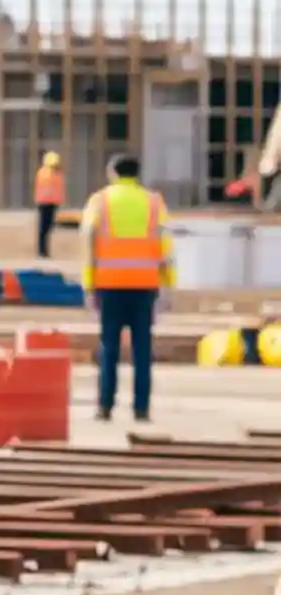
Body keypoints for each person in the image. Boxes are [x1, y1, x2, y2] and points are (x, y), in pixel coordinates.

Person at [82, 152, 174, 422]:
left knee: (109, 347)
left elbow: (89, 243)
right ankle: (141, 409)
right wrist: (168, 286)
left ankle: (105, 406)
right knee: (142, 350)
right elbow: (166, 249)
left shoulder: (100, 201)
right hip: (144, 286)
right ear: (137, 173)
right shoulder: (154, 203)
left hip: (109, 285)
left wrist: (89, 285)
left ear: (112, 172)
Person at [34, 151, 64, 258]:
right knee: (44, 228)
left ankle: (44, 251)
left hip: (50, 203)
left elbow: (58, 189)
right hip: (45, 203)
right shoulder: (46, 173)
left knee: (47, 228)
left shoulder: (54, 174)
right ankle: (42, 251)